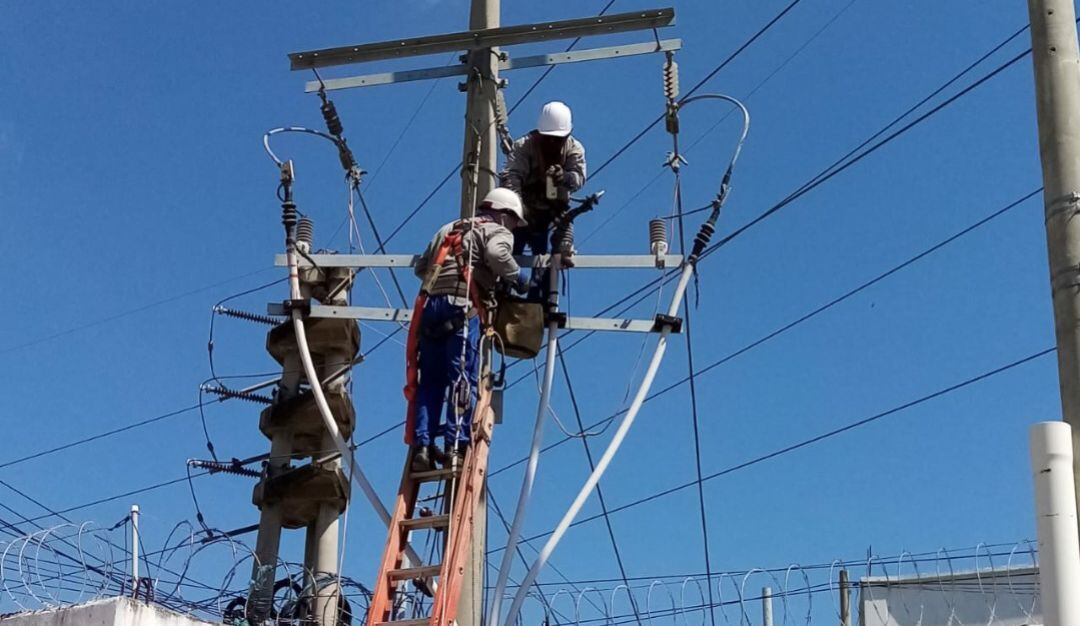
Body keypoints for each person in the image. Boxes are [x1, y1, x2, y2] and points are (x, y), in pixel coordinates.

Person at [407, 187, 529, 471]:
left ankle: (422, 449)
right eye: (513, 221)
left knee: (431, 382)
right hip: (462, 307)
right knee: (461, 378)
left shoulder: (448, 228)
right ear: (503, 213)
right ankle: (455, 448)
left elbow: (422, 267)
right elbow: (498, 255)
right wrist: (519, 278)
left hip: (429, 308)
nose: (513, 228)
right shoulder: (498, 231)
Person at [499, 101, 587, 256]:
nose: (552, 143)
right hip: (524, 209)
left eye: (558, 139)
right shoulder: (524, 146)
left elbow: (578, 177)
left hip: (554, 211)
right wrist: (519, 208)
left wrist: (564, 177)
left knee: (553, 258)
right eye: (548, 138)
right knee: (510, 253)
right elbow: (511, 177)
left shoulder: (574, 149)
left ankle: (553, 263)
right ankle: (511, 278)